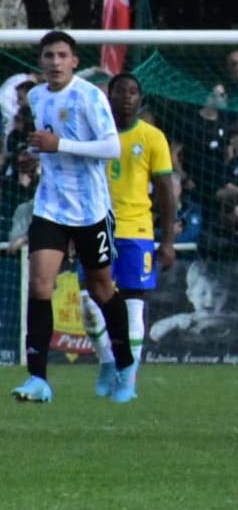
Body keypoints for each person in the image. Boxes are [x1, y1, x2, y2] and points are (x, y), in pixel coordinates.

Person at [11, 31, 135, 404]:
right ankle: (38, 379)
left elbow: (112, 147)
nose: (54, 62)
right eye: (48, 55)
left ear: (74, 61)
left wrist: (58, 145)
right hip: (50, 206)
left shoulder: (89, 96)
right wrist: (36, 156)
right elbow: (48, 142)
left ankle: (122, 363)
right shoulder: (35, 96)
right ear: (41, 61)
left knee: (101, 289)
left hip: (90, 209)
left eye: (62, 55)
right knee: (39, 286)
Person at [79, 73, 176, 401]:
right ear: (109, 95)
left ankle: (128, 379)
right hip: (94, 227)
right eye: (121, 91)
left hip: (137, 232)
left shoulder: (152, 137)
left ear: (140, 98)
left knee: (133, 309)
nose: (126, 97)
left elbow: (165, 191)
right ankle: (108, 362)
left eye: (133, 92)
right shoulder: (93, 134)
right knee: (89, 306)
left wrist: (167, 241)